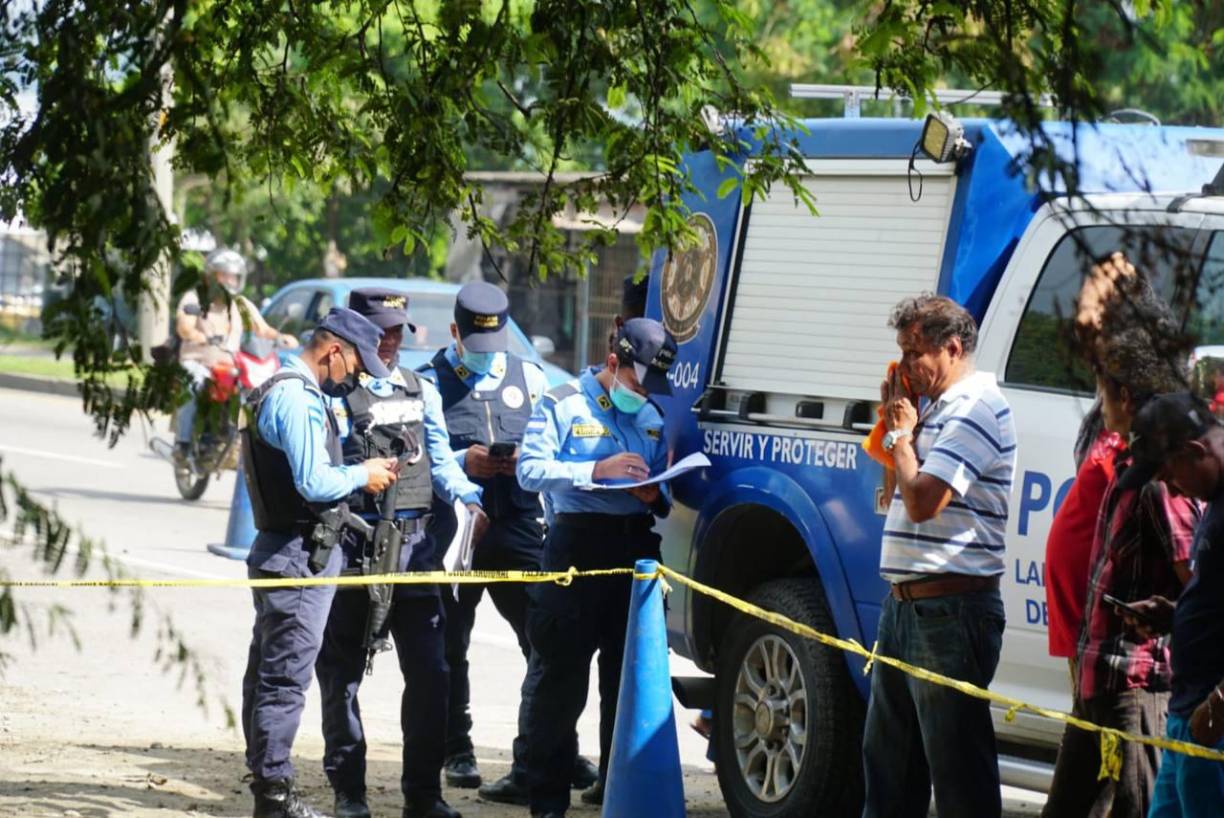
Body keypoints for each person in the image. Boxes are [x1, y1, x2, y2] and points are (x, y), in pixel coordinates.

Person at [416, 282, 597, 801]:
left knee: (548, 643)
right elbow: (417, 461)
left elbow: (554, 447)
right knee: (449, 645)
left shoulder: (531, 378)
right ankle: (457, 749)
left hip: (518, 525)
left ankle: (554, 751)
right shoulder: (430, 383)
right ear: (456, 333)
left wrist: (525, 465)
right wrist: (462, 462)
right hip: (457, 530)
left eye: (494, 348)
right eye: (476, 347)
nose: (487, 358)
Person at [315, 288, 490, 818]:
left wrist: (470, 499)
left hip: (415, 550)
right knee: (341, 674)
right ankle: (350, 792)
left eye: (397, 331)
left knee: (432, 674)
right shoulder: (333, 393)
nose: (390, 341)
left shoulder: (420, 389)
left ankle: (423, 795)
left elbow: (440, 460)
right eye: (381, 331)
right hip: (354, 545)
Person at [241, 307, 399, 818]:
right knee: (284, 679)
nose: (354, 378)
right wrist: (362, 475)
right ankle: (275, 798)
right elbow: (314, 482)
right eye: (354, 367)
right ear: (334, 351)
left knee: (268, 672)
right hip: (298, 555)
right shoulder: (296, 396)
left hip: (289, 551)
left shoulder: (285, 386)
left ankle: (268, 784)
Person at [517, 317, 677, 818]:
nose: (643, 394)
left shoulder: (651, 416)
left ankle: (615, 793)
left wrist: (657, 494)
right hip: (576, 550)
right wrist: (594, 471)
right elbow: (529, 470)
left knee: (624, 683)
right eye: (636, 382)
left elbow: (664, 485)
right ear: (613, 363)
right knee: (560, 685)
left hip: (634, 552)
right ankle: (547, 802)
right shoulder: (564, 402)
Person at [864, 293, 1017, 818]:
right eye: (903, 352)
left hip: (950, 612)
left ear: (951, 348)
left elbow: (925, 501)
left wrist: (904, 436)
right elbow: (895, 494)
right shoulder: (934, 411)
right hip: (907, 607)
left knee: (959, 780)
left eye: (915, 352)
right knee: (888, 771)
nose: (907, 364)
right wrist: (894, 425)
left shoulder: (977, 409)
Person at [1042, 328, 1198, 818]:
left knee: (1136, 807)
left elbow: (1195, 583)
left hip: (1134, 685)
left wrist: (1171, 616)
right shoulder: (1129, 463)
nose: (1100, 404)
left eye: (1102, 390)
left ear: (1125, 396)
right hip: (1097, 682)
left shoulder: (1160, 482)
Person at [1112, 392, 1224, 818]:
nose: (1169, 487)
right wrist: (1175, 615)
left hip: (1213, 721)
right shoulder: (1214, 500)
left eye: (1168, 473)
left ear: (1196, 450)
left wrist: (1219, 704)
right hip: (1190, 714)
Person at [174, 248, 294, 461]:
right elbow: (184, 326)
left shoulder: (240, 303)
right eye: (224, 274)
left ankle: (240, 441)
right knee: (193, 385)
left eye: (234, 276)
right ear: (211, 275)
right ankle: (182, 444)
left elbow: (262, 329)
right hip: (198, 360)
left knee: (256, 393)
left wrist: (281, 337)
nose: (229, 280)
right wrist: (199, 336)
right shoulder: (195, 297)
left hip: (231, 366)